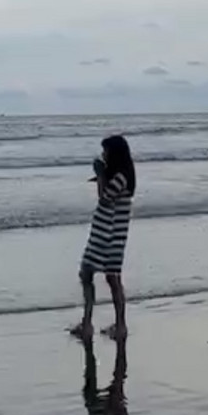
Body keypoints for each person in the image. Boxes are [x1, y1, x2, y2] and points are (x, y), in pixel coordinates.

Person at [71, 134, 135, 343]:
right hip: (108, 233)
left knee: (103, 277)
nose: (103, 154)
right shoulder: (121, 174)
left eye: (106, 151)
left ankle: (109, 324)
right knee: (102, 276)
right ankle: (94, 323)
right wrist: (101, 174)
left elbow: (105, 197)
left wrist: (99, 174)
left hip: (109, 235)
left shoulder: (121, 177)